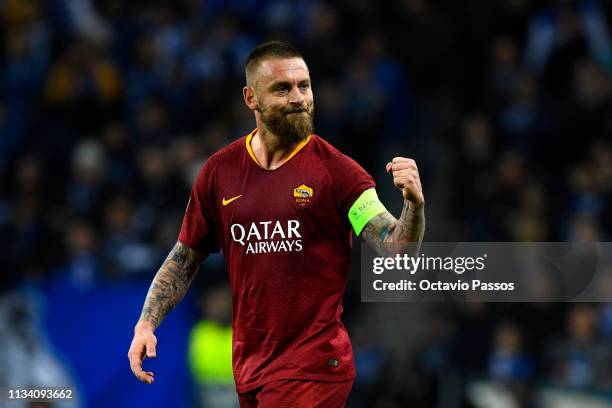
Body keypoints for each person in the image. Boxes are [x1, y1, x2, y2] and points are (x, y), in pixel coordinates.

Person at [128, 41, 425, 407]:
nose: (298, 97)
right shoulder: (220, 173)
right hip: (251, 369)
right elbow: (184, 257)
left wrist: (414, 205)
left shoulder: (338, 173)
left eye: (304, 85)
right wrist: (146, 323)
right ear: (251, 98)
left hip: (313, 366)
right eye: (282, 88)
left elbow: (397, 250)